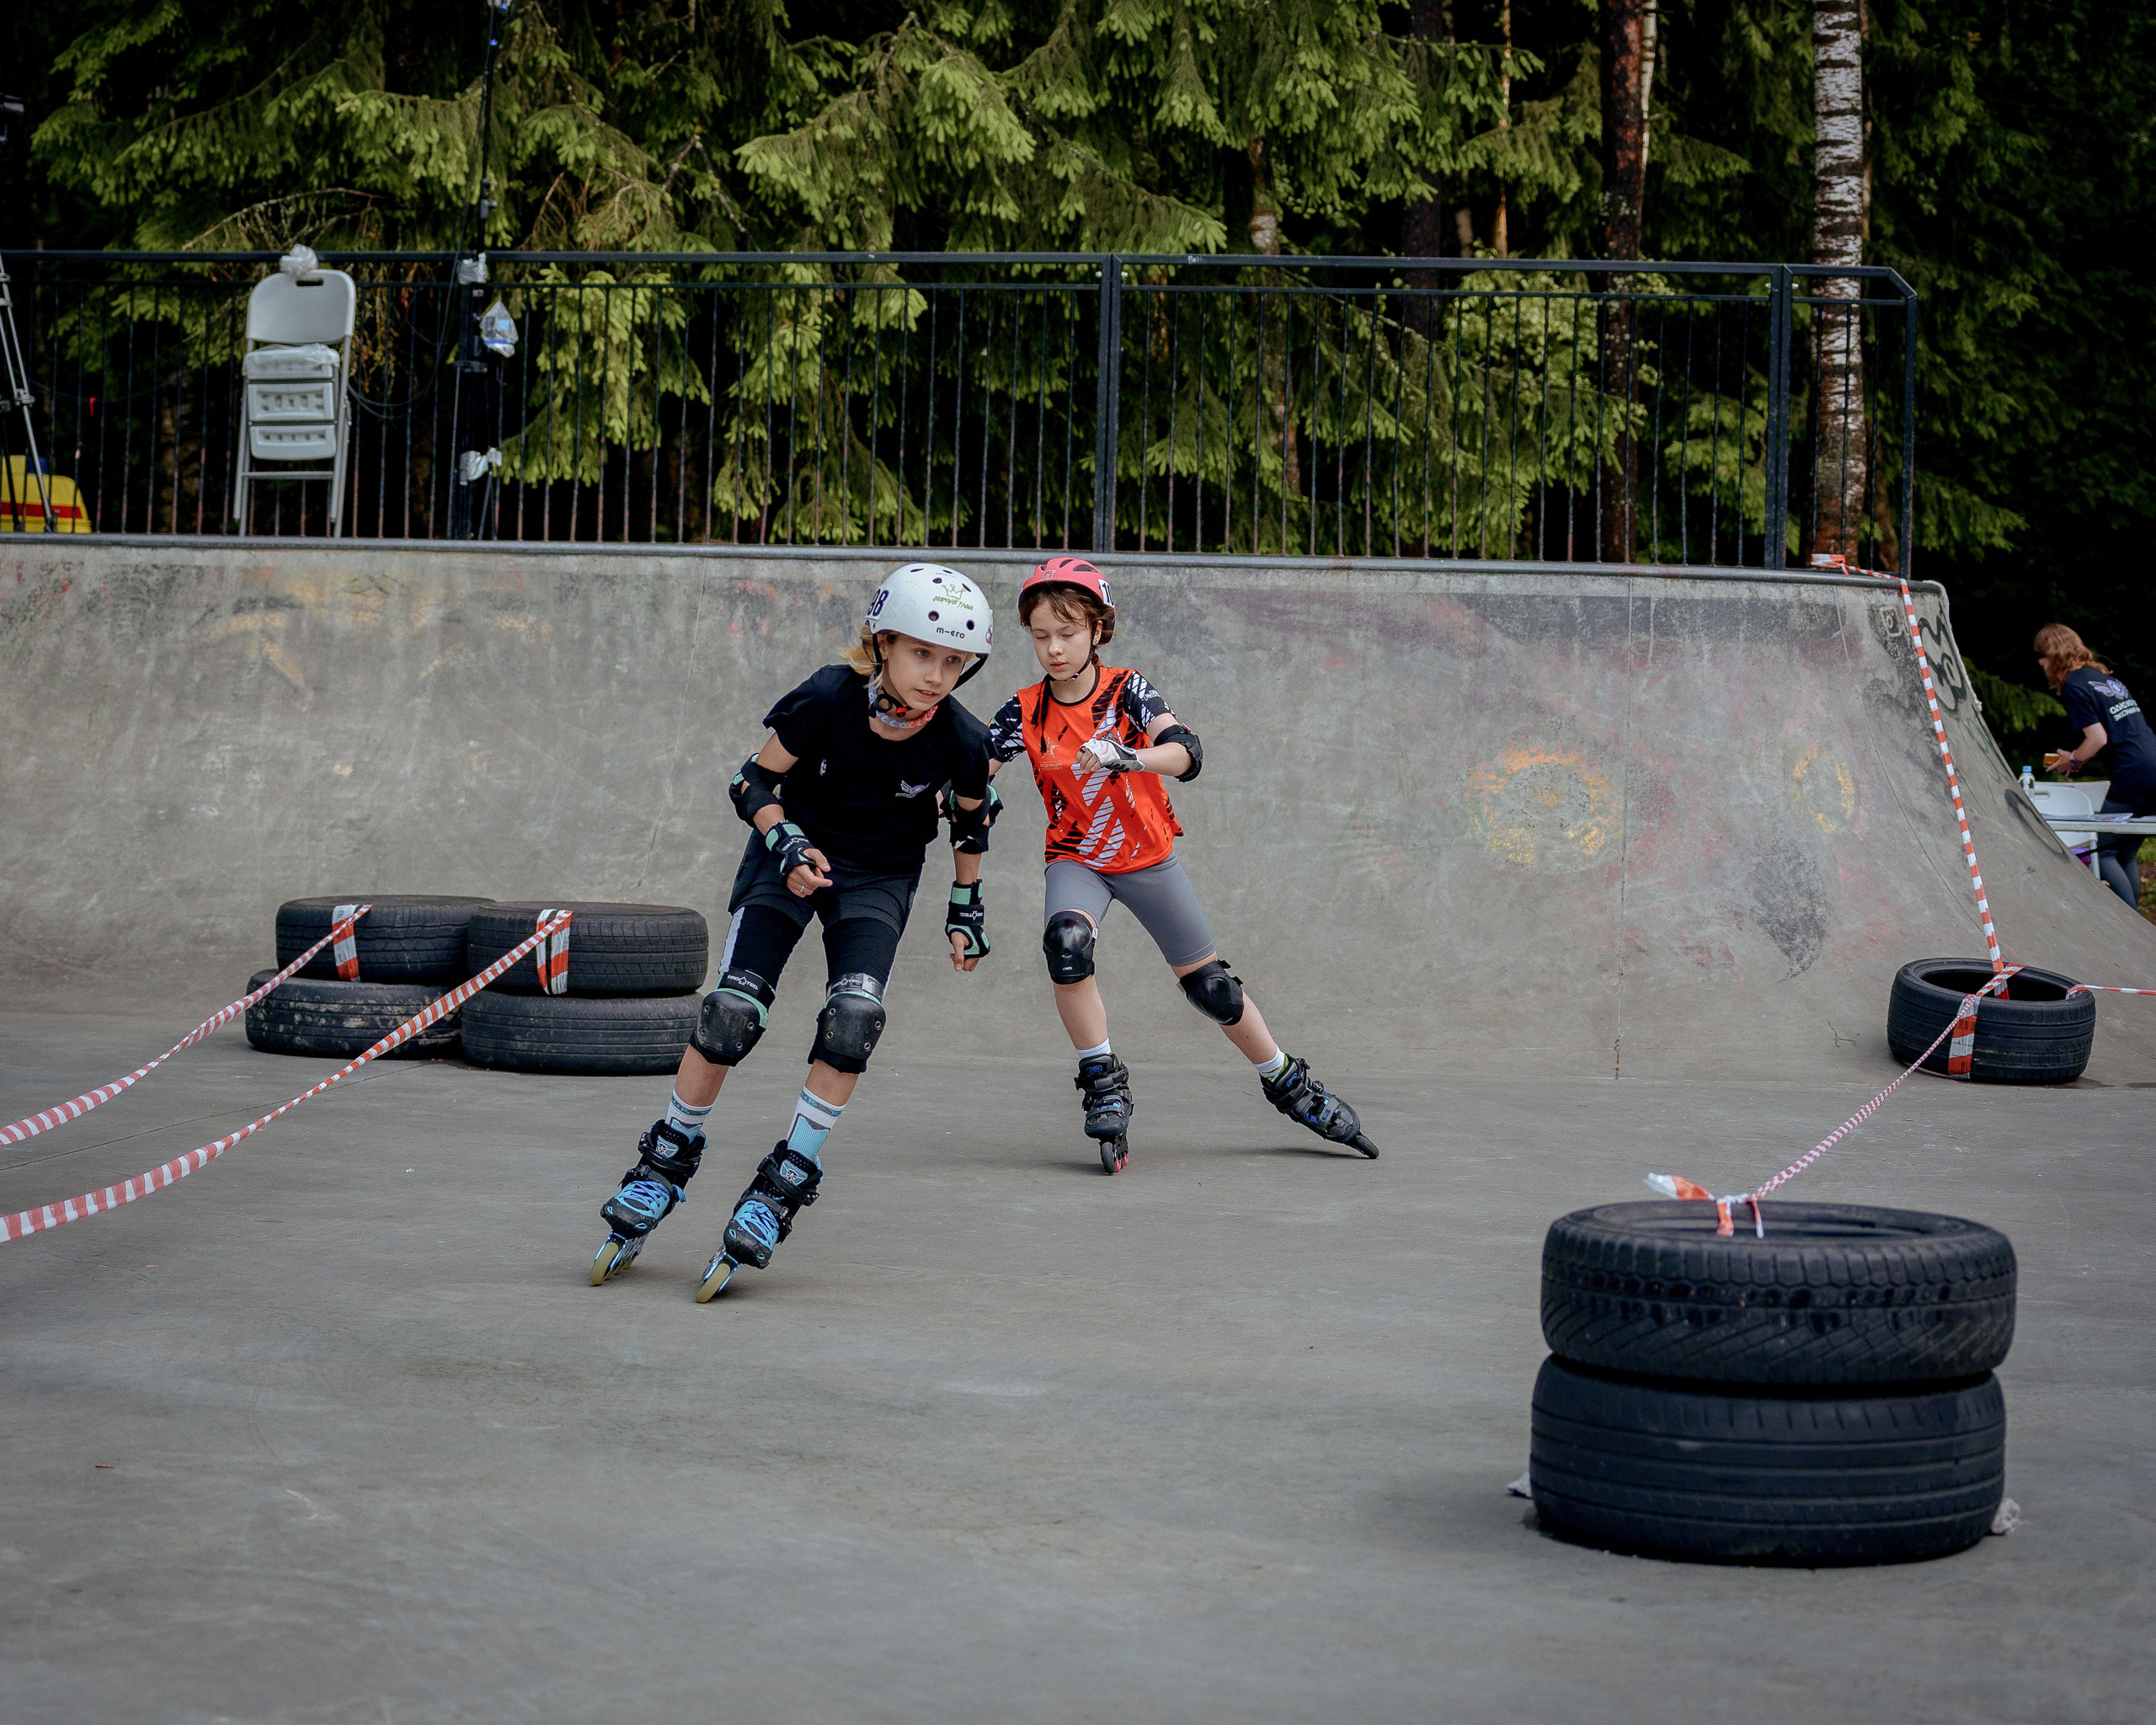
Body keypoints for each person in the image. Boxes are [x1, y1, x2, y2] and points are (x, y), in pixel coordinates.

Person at [591, 563, 998, 1300]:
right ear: (881, 643)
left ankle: (782, 1184)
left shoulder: (963, 740)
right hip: (789, 857)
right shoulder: (828, 695)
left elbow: (971, 822)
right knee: (729, 1014)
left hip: (877, 879)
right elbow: (750, 782)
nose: (937, 675)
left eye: (953, 662)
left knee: (854, 1020)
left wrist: (965, 908)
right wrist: (785, 842)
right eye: (922, 654)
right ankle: (665, 1161)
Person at [985, 556, 1378, 1173]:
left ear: (1097, 630)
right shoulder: (1023, 712)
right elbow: (964, 779)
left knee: (1213, 990)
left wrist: (1126, 756)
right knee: (1066, 943)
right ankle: (1103, 1080)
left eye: (1067, 633)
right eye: (1040, 636)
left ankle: (1289, 1084)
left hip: (1147, 859)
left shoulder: (1126, 690)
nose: (1054, 649)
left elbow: (1187, 754)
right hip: (1076, 860)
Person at [2037, 622, 2156, 911]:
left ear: (2052, 656)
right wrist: (2079, 756)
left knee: (2100, 848)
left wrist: (2075, 758)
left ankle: (2129, 927)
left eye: (2040, 656)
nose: (2040, 664)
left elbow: (2098, 738)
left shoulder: (2074, 685)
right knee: (2124, 852)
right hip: (2151, 760)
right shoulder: (2100, 678)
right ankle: (2135, 919)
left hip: (2133, 771)